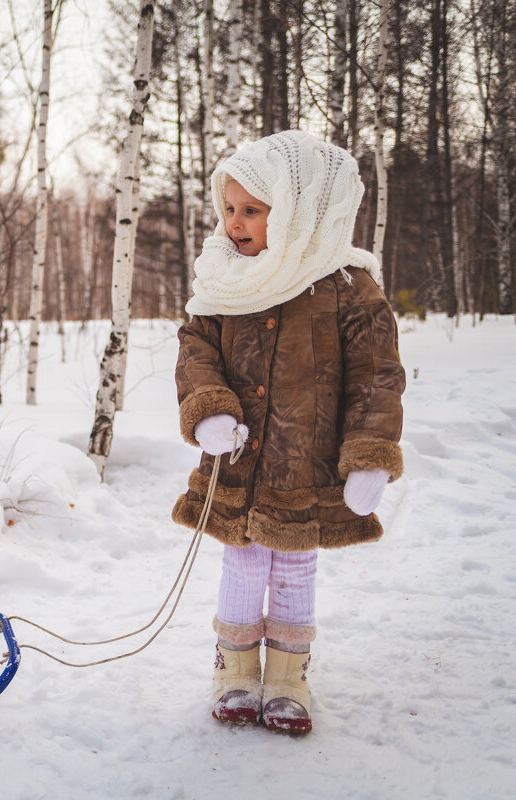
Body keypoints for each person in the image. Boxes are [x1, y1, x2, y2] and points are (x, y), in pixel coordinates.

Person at [172, 130, 405, 734]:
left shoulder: (349, 287)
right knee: (244, 561)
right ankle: (234, 673)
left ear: (303, 212)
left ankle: (287, 679)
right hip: (241, 461)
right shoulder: (225, 279)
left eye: (253, 210)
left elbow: (377, 376)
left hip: (308, 464)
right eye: (229, 209)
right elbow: (197, 347)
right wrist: (209, 408)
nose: (236, 224)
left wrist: (371, 455)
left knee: (296, 565)